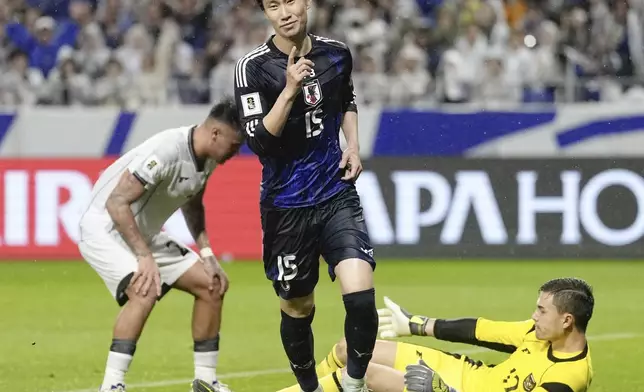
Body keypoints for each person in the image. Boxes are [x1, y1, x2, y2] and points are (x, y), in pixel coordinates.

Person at [232, 1, 378, 391]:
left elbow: (345, 97)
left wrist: (353, 145)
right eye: (273, 5)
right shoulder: (253, 68)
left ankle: (354, 385)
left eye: (291, 1)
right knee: (299, 307)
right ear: (266, 13)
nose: (285, 12)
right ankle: (310, 388)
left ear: (307, 3)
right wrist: (290, 90)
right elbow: (259, 142)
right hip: (286, 206)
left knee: (361, 295)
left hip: (335, 193)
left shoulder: (336, 52)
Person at [78, 100, 244, 392]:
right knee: (144, 290)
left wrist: (207, 254)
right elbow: (116, 202)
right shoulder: (168, 150)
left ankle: (205, 380)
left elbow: (193, 203)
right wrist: (144, 256)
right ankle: (112, 385)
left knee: (211, 284)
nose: (235, 152)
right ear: (215, 133)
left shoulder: (209, 159)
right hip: (104, 227)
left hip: (143, 232)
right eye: (234, 144)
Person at [279, 277, 594, 392]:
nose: (534, 316)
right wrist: (416, 324)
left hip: (455, 390)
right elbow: (480, 330)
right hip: (462, 373)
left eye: (541, 310)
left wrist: (445, 391)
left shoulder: (569, 377)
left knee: (367, 375)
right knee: (352, 349)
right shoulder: (536, 333)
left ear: (567, 320)